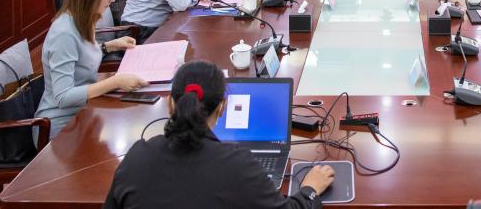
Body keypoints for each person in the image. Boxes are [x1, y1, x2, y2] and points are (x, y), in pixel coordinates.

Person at [104, 61, 334, 208]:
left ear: (170, 104)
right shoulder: (238, 165)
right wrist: (310, 189)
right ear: (222, 107)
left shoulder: (136, 157)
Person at [36, 0, 146, 138]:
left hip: (86, 109)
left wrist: (109, 46)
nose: (113, 0)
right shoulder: (64, 33)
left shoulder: (85, 18)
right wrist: (115, 82)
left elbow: (79, 56)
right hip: (61, 126)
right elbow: (63, 97)